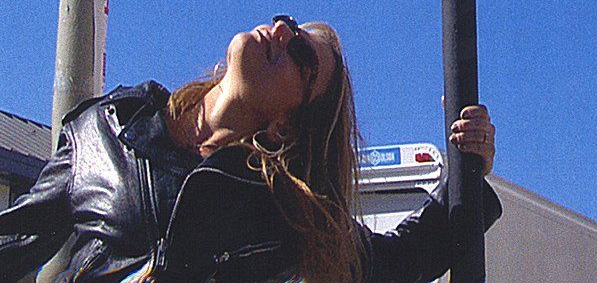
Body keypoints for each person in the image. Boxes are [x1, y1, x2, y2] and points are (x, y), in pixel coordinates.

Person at [0, 16, 501, 282]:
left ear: (286, 123)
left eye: (300, 53)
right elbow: (16, 241)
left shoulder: (283, 212)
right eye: (287, 22)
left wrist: (467, 167)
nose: (281, 31)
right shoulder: (108, 127)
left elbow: (398, 260)